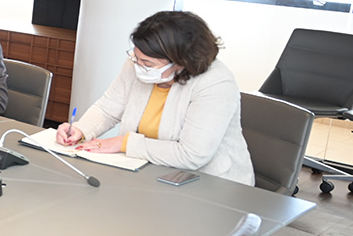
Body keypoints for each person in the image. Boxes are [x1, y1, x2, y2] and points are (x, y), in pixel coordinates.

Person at [56, 11, 253, 185]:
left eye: (148, 64)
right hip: (149, 172)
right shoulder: (138, 63)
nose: (138, 65)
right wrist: (81, 129)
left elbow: (191, 154)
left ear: (180, 62)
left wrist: (123, 143)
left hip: (211, 184)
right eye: (136, 58)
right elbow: (108, 109)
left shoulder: (215, 83)